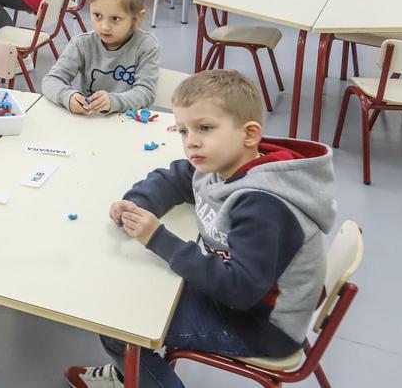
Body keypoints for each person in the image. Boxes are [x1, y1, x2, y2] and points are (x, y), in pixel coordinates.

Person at [65, 70, 337, 388]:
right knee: (132, 290)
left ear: (249, 134)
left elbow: (239, 291)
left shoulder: (263, 205)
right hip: (241, 292)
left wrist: (158, 239)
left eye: (204, 128)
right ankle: (132, 373)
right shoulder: (224, 161)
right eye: (183, 130)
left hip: (262, 323)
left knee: (120, 327)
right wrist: (138, 203)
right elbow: (179, 177)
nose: (191, 141)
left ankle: (132, 372)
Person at [42, 0, 161, 114]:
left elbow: (146, 93)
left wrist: (113, 101)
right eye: (97, 15)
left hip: (128, 124)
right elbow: (51, 81)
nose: (104, 26)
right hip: (89, 122)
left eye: (115, 18)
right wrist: (68, 96)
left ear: (137, 18)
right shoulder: (81, 44)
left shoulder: (147, 47)